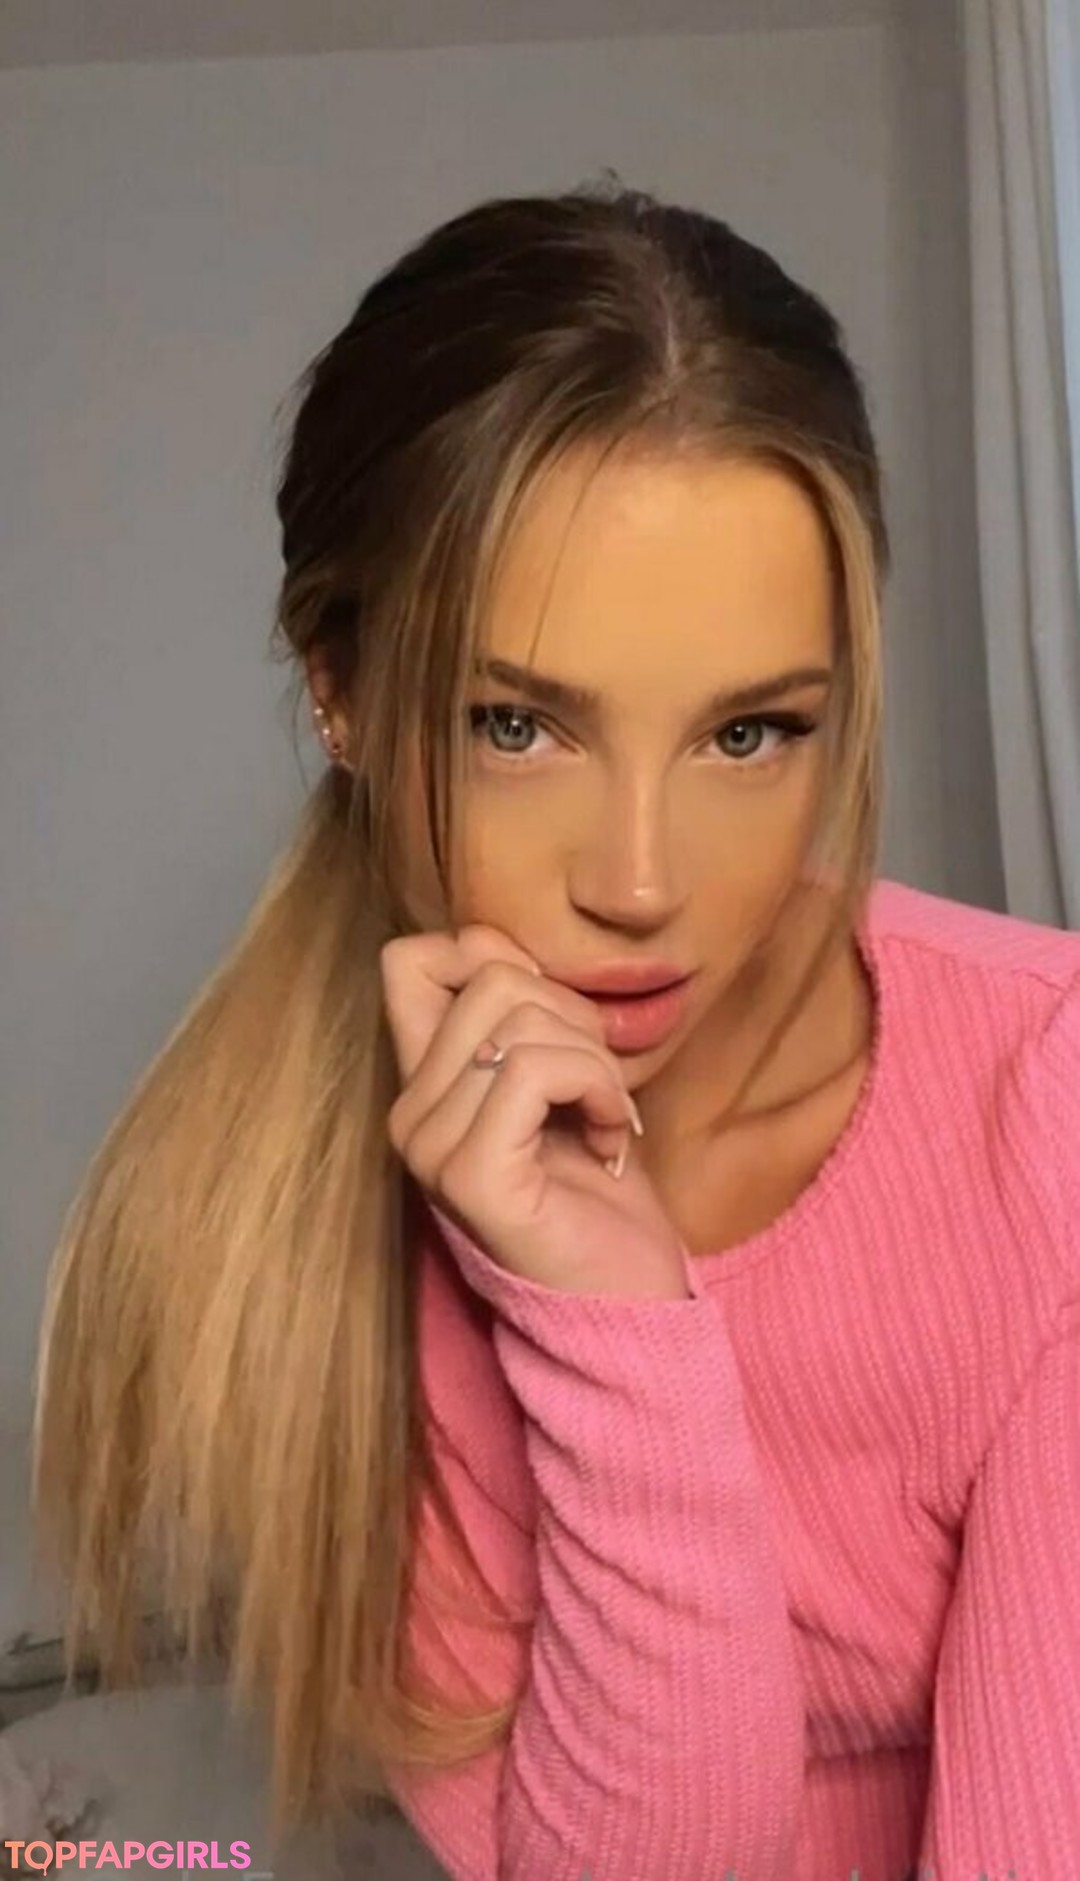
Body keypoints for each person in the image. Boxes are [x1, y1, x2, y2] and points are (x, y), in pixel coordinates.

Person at [31, 182, 1080, 1881]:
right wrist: (609, 1324)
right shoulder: (278, 1243)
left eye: (751, 733)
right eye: (521, 725)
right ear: (341, 689)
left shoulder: (1051, 1117)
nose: (642, 883)